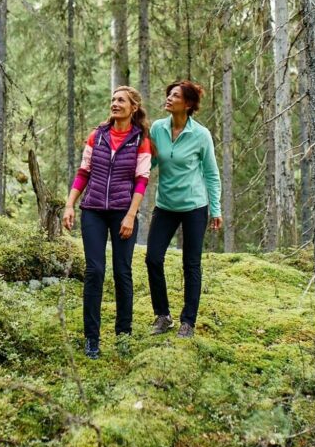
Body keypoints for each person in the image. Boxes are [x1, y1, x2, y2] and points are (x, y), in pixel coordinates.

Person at [63, 86, 153, 359]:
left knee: (122, 272)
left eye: (121, 100)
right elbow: (83, 172)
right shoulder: (97, 136)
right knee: (94, 271)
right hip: (93, 210)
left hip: (123, 212)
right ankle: (92, 338)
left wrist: (130, 214)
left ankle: (123, 335)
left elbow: (142, 180)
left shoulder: (141, 140)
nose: (115, 104)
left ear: (133, 107)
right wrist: (70, 204)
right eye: (113, 99)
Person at [145, 80, 222, 339]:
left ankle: (188, 321)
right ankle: (163, 315)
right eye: (168, 94)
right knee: (153, 258)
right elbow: (152, 162)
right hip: (165, 205)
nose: (168, 98)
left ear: (187, 104)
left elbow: (211, 173)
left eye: (174, 95)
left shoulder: (201, 135)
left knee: (191, 264)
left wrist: (216, 209)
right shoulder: (157, 128)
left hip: (194, 207)